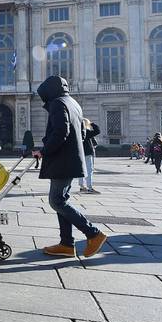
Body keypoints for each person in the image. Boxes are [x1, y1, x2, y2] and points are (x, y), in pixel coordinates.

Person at [35, 76, 107, 259]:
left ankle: (93, 233)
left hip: (62, 162)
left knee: (56, 201)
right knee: (61, 201)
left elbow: (61, 132)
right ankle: (66, 244)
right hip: (70, 160)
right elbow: (82, 132)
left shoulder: (58, 103)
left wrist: (44, 150)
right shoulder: (73, 103)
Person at [78, 118, 101, 194]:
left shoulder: (77, 132)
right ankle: (89, 187)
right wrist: (91, 123)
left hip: (79, 153)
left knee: (81, 170)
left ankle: (82, 186)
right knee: (89, 170)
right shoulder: (86, 132)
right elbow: (97, 130)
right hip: (87, 153)